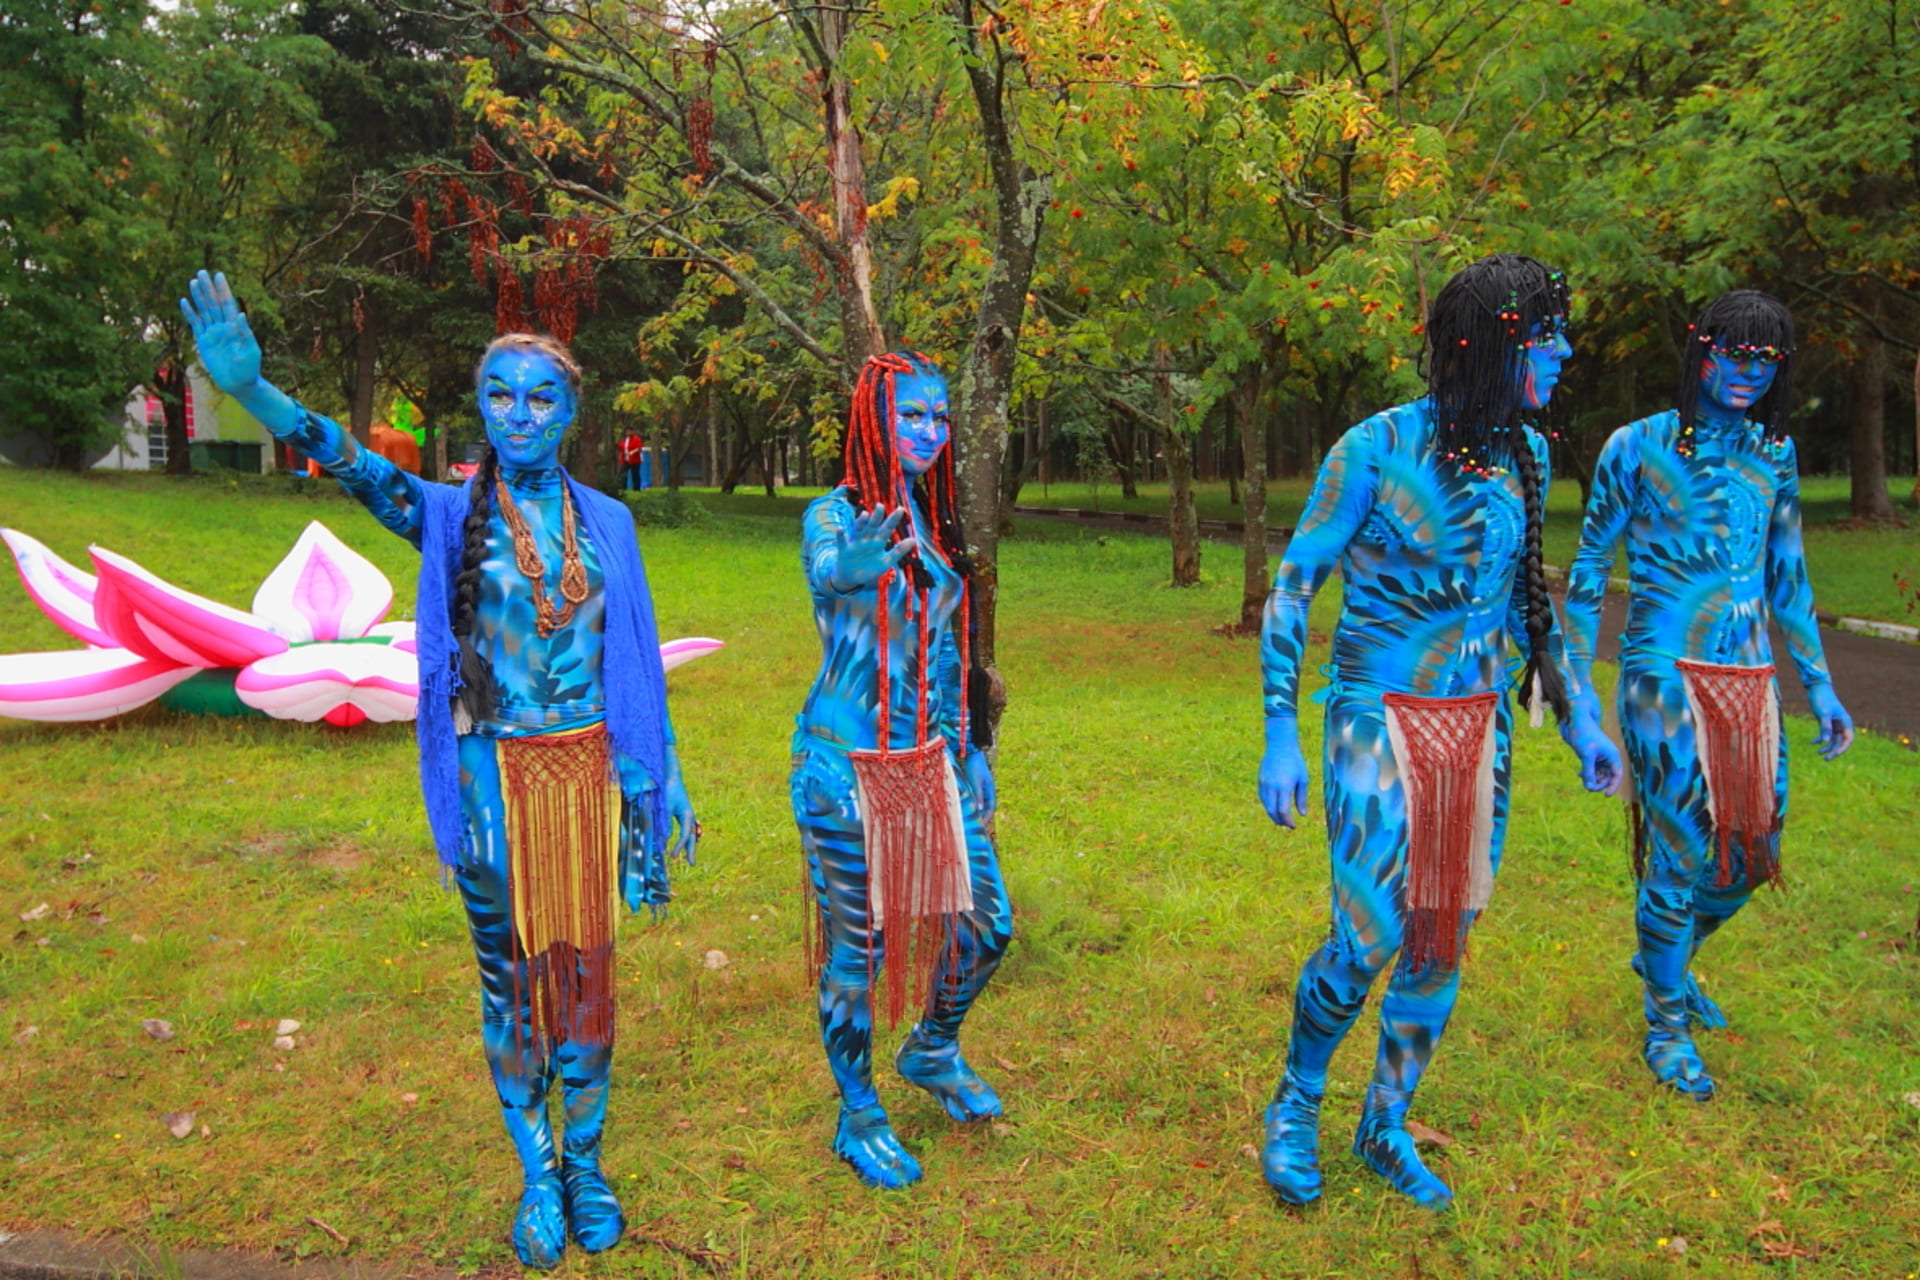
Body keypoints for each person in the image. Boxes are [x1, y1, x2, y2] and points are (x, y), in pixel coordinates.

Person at [179, 270, 698, 1268]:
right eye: (500, 394)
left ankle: (587, 1165)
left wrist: (660, 769)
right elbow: (354, 467)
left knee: (585, 982)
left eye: (540, 397)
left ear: (573, 412)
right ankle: (538, 1172)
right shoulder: (451, 516)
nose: (519, 414)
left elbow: (633, 654)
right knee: (511, 985)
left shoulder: (611, 522)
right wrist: (254, 393)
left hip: (582, 782)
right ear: (482, 405)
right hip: (490, 784)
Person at [1256, 254, 1621, 1210]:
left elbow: (1528, 603)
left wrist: (1580, 715)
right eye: (1544, 337)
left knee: (1440, 936)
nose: (1563, 354)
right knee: (1368, 933)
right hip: (1376, 717)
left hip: (1477, 731)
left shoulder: (1527, 456)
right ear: (1489, 346)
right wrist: (1279, 732)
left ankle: (1385, 1123)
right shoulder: (1374, 448)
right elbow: (1293, 587)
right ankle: (1296, 1101)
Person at [1563, 289, 1852, 1101]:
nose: (1749, 372)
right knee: (1683, 851)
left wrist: (1821, 686)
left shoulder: (1775, 452)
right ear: (1701, 349)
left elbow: (1788, 577)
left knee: (1753, 857)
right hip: (1663, 678)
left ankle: (1664, 955)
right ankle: (1666, 1025)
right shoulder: (1637, 446)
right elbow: (1587, 576)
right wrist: (1579, 696)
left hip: (1751, 682)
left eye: (1767, 360)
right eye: (1734, 353)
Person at [791, 351, 1012, 1189]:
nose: (929, 431)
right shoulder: (835, 514)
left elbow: (947, 652)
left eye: (940, 417)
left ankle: (932, 1047)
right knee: (861, 953)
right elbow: (826, 568)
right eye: (911, 414)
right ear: (873, 420)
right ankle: (858, 1114)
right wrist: (849, 568)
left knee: (988, 925)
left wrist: (970, 749)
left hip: (929, 760)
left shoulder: (938, 520)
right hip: (843, 765)